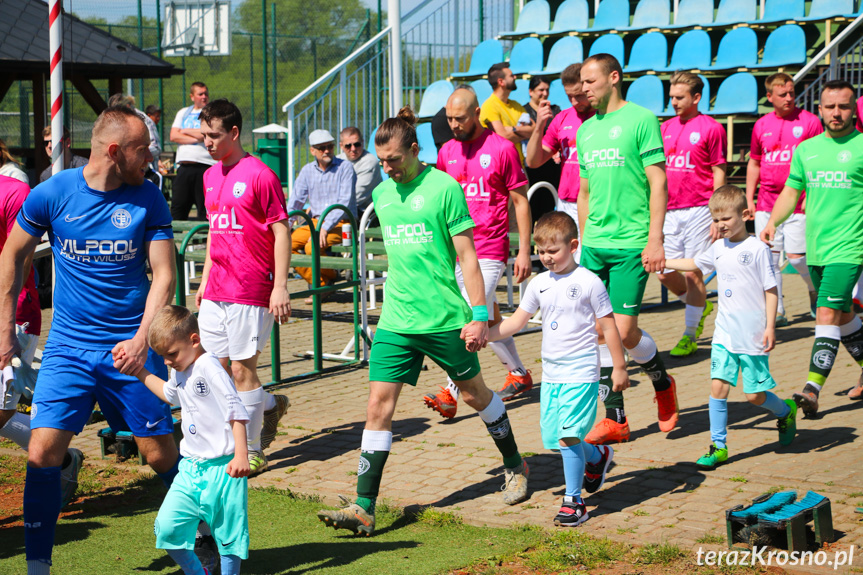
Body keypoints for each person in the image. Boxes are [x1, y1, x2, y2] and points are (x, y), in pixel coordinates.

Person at [316, 108, 530, 537]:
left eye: (395, 159)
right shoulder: (381, 195)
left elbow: (468, 256)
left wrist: (479, 315)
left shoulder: (444, 187)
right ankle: (364, 506)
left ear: (415, 150)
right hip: (396, 319)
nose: (388, 169)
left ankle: (515, 464)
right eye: (382, 162)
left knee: (473, 396)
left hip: (444, 319)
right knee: (378, 405)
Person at [0, 106, 180, 575]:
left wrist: (143, 339)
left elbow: (164, 275)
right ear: (115, 151)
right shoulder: (53, 193)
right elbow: (11, 256)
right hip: (67, 348)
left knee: (157, 453)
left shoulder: (148, 198)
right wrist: (3, 332)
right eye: (144, 149)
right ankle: (38, 565)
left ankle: (201, 534)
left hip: (130, 351)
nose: (152, 157)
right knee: (41, 452)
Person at [487, 212, 626, 526]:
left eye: (553, 251)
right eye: (541, 251)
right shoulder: (539, 284)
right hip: (552, 375)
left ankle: (574, 502)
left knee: (567, 437)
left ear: (573, 245)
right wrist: (486, 334)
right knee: (555, 440)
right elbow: (516, 322)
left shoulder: (589, 282)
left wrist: (619, 366)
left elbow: (610, 327)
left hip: (581, 373)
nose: (546, 257)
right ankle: (598, 457)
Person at [576, 53, 678, 444]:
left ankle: (661, 382)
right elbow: (584, 192)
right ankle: (616, 418)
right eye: (581, 82)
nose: (583, 88)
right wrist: (583, 242)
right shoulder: (586, 130)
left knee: (622, 330)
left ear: (613, 77)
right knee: (602, 332)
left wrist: (656, 238)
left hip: (632, 243)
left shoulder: (641, 119)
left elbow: (658, 183)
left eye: (589, 80)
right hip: (595, 247)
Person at [666, 185, 797, 469]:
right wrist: (664, 261)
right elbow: (694, 263)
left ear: (746, 214)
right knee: (718, 388)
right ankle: (718, 446)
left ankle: (786, 411)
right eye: (715, 219)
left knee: (754, 396)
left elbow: (771, 290)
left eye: (726, 218)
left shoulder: (758, 250)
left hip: (752, 334)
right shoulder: (717, 248)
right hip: (724, 332)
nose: (720, 225)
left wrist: (771, 327)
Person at [422, 88, 533, 419]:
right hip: (457, 251)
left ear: (477, 113)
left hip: (489, 249)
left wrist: (524, 250)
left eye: (460, 118)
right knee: (490, 317)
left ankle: (450, 391)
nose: (453, 124)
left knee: (468, 316)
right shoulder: (447, 151)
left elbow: (520, 201)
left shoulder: (503, 149)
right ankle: (519, 373)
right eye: (449, 118)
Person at [196, 99, 292, 477]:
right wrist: (203, 283)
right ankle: (268, 406)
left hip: (252, 288)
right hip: (216, 289)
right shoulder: (208, 176)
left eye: (214, 135)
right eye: (204, 135)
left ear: (234, 133)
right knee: (216, 368)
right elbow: (214, 234)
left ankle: (252, 449)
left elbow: (281, 229)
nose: (208, 142)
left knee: (241, 369)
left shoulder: (260, 174)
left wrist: (280, 285)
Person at [760, 80, 863, 416]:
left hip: (849, 248)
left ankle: (811, 388)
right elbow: (791, 191)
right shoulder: (807, 149)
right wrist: (773, 221)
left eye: (844, 106)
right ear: (820, 109)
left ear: (853, 109)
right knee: (843, 316)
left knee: (826, 315)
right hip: (816, 249)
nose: (837, 113)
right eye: (830, 107)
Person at [136, 305, 250, 575]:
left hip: (224, 470)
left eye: (171, 353)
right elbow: (170, 394)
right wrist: (139, 372)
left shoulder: (209, 367)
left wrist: (242, 455)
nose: (167, 361)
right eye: (163, 356)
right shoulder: (181, 366)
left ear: (194, 340)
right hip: (189, 469)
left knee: (229, 537)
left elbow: (236, 411)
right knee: (166, 526)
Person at [0, 174, 83, 508]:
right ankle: (60, 454)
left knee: (2, 411)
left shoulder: (15, 192)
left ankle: (56, 454)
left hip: (12, 314)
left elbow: (19, 258)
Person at [657, 72, 727, 357]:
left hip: (699, 207)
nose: (673, 102)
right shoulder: (665, 128)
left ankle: (689, 335)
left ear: (696, 98)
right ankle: (699, 305)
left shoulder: (711, 128)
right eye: (671, 97)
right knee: (663, 272)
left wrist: (717, 214)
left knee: (693, 273)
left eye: (679, 97)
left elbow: (718, 170)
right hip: (670, 207)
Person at [747, 73, 823, 326]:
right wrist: (750, 198)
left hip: (797, 200)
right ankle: (778, 309)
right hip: (766, 203)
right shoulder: (761, 125)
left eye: (792, 92)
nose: (789, 98)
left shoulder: (810, 122)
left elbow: (819, 160)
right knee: (768, 259)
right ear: (770, 97)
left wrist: (811, 193)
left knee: (798, 257)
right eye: (783, 94)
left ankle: (814, 291)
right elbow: (755, 162)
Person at [287, 129, 357, 302]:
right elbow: (295, 201)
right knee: (286, 246)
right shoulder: (307, 171)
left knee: (312, 247)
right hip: (315, 222)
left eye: (330, 146)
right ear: (313, 151)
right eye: (321, 147)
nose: (326, 150)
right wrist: (285, 226)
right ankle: (326, 281)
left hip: (342, 223)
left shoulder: (345, 167)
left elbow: (344, 203)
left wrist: (325, 227)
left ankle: (324, 284)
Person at [526, 63, 595, 237]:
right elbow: (533, 161)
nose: (574, 102)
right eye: (569, 96)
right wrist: (539, 126)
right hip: (566, 203)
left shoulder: (605, 116)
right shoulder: (562, 117)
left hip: (596, 202)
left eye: (579, 95)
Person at [170, 82, 216, 220]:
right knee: (178, 207)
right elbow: (173, 136)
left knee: (204, 209)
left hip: (206, 166)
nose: (204, 97)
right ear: (192, 96)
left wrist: (184, 131)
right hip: (184, 167)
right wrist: (199, 137)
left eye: (206, 93)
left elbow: (208, 134)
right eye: (200, 94)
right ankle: (176, 240)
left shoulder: (212, 113)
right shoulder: (183, 113)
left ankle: (203, 240)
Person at [480, 62, 534, 163]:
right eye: (511, 75)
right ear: (501, 82)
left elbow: (533, 129)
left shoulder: (516, 105)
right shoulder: (489, 106)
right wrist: (524, 133)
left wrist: (512, 129)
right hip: (502, 166)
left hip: (520, 164)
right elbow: (503, 138)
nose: (515, 77)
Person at [522, 76, 561, 197]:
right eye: (541, 90)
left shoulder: (555, 110)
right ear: (530, 91)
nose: (545, 93)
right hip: (532, 166)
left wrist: (557, 149)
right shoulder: (523, 112)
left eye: (547, 90)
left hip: (551, 165)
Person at [108, 93, 161, 176]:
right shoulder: (114, 121)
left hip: (146, 173)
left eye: (119, 111)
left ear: (128, 106)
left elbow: (156, 148)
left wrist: (135, 153)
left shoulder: (145, 121)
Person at [337, 127, 383, 217]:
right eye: (348, 146)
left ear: (362, 142)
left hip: (364, 214)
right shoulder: (338, 160)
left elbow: (355, 198)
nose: (353, 149)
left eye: (357, 144)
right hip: (342, 208)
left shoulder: (370, 162)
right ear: (341, 146)